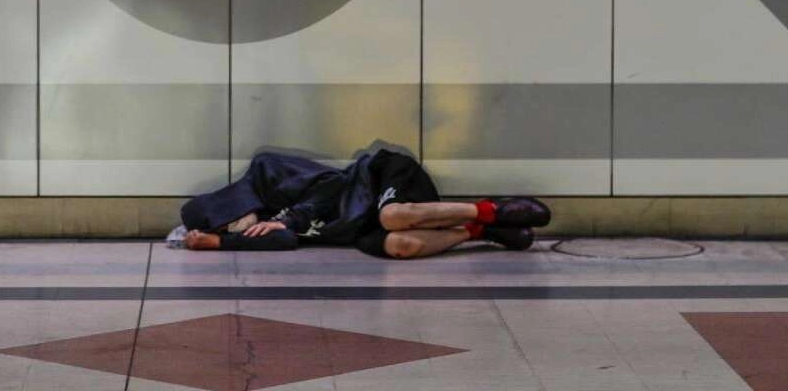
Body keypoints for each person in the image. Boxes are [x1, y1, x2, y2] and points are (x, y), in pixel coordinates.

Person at [179, 140, 551, 259]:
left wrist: (288, 217)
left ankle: (492, 209)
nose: (237, 228)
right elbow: (285, 241)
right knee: (400, 245)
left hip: (375, 181)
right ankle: (479, 230)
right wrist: (218, 244)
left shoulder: (267, 172)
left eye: (230, 223)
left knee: (392, 217)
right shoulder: (261, 225)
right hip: (359, 229)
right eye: (228, 229)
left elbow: (331, 184)